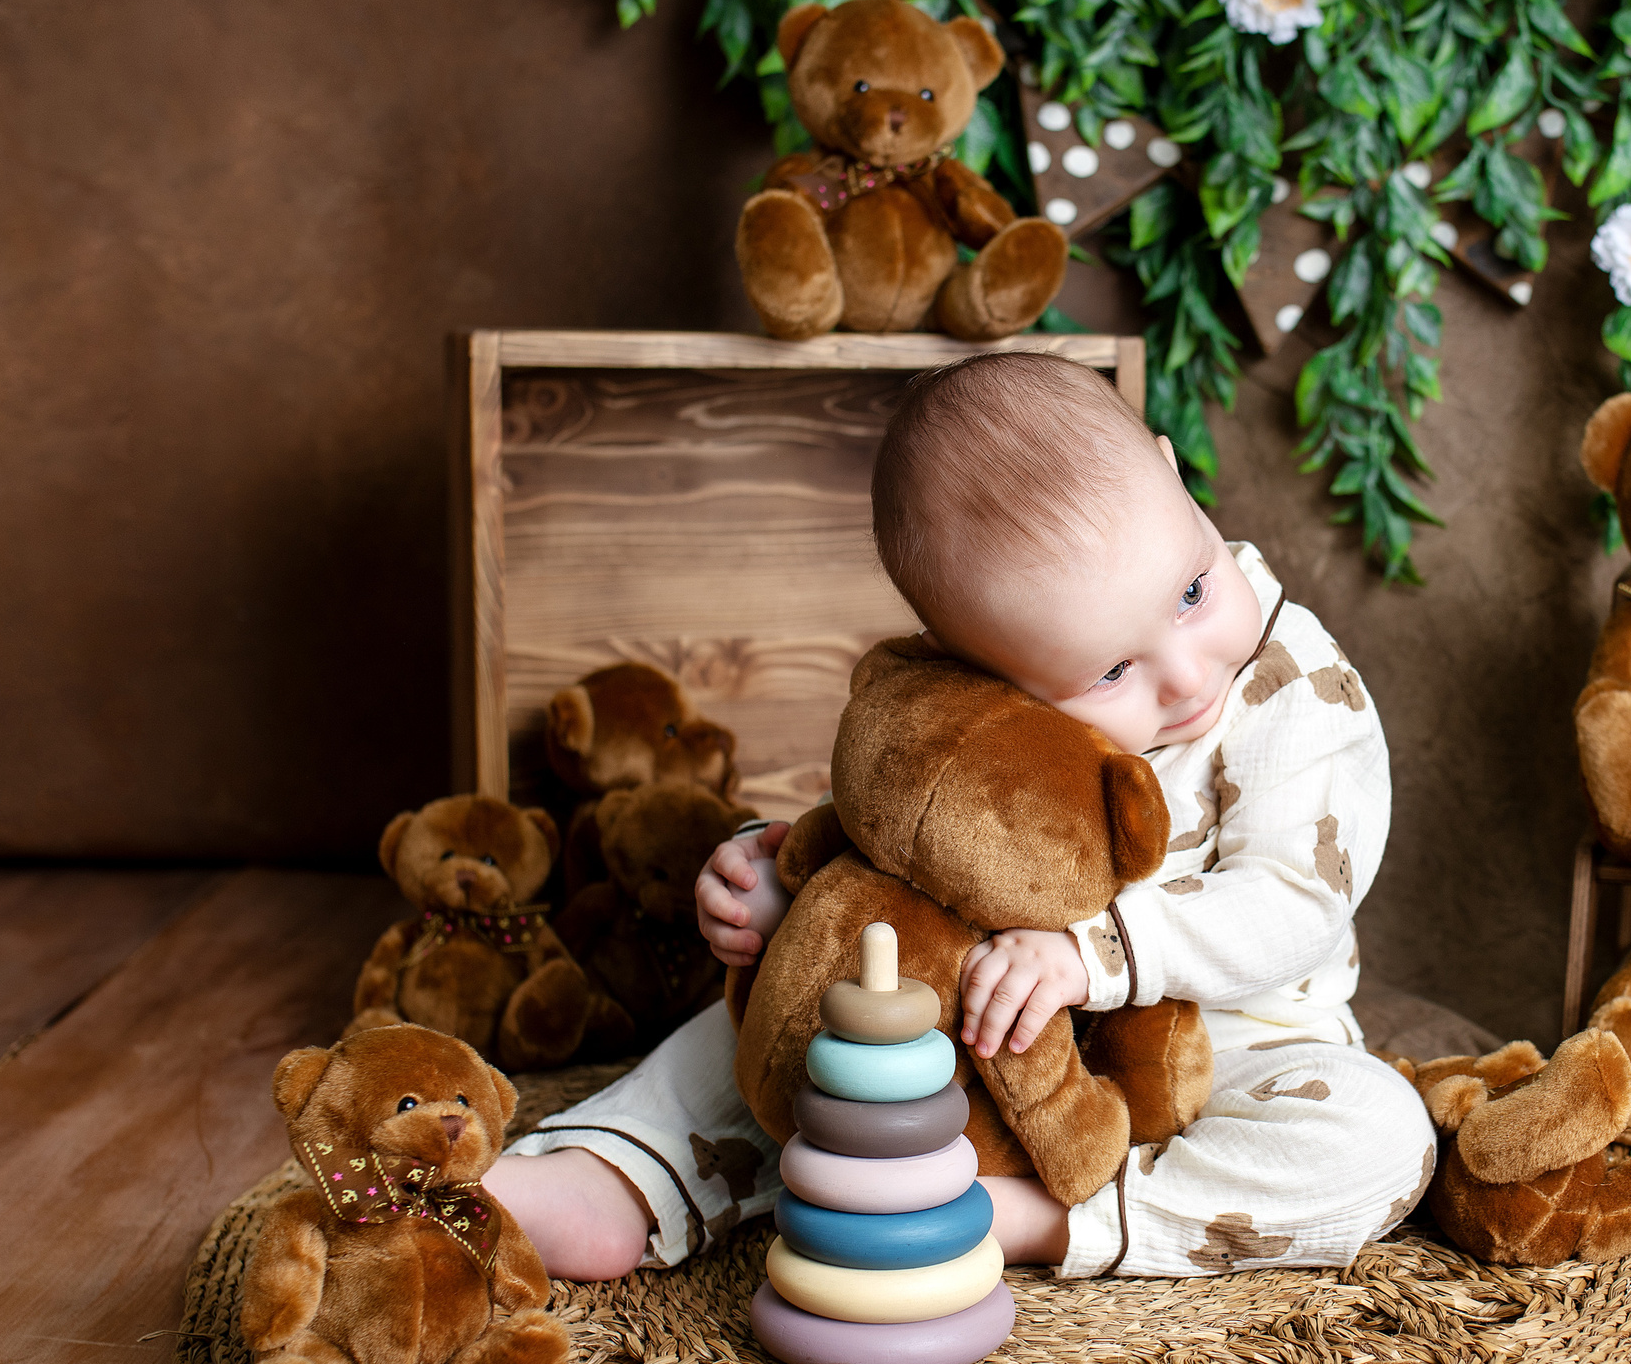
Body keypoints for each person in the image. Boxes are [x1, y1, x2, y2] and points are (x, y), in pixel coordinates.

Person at [486, 352, 1432, 1280]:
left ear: (1172, 471)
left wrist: (1092, 956)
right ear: (973, 661)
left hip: (1236, 1043)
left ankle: (1044, 1217)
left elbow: (1295, 900)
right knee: (803, 1021)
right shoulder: (984, 678)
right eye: (1111, 672)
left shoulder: (1295, 685)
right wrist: (783, 892)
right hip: (987, 1026)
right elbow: (915, 821)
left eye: (1191, 593)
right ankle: (620, 1169)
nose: (1187, 676)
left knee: (1379, 1134)